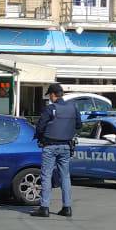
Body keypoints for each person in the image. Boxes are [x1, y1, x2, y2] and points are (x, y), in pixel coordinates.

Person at [32, 83, 80, 218]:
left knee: (46, 175)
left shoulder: (50, 109)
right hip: (66, 146)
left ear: (53, 95)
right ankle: (67, 207)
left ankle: (44, 207)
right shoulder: (73, 108)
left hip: (50, 146)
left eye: (50, 95)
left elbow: (40, 127)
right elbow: (79, 125)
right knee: (65, 176)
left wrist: (41, 137)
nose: (50, 98)